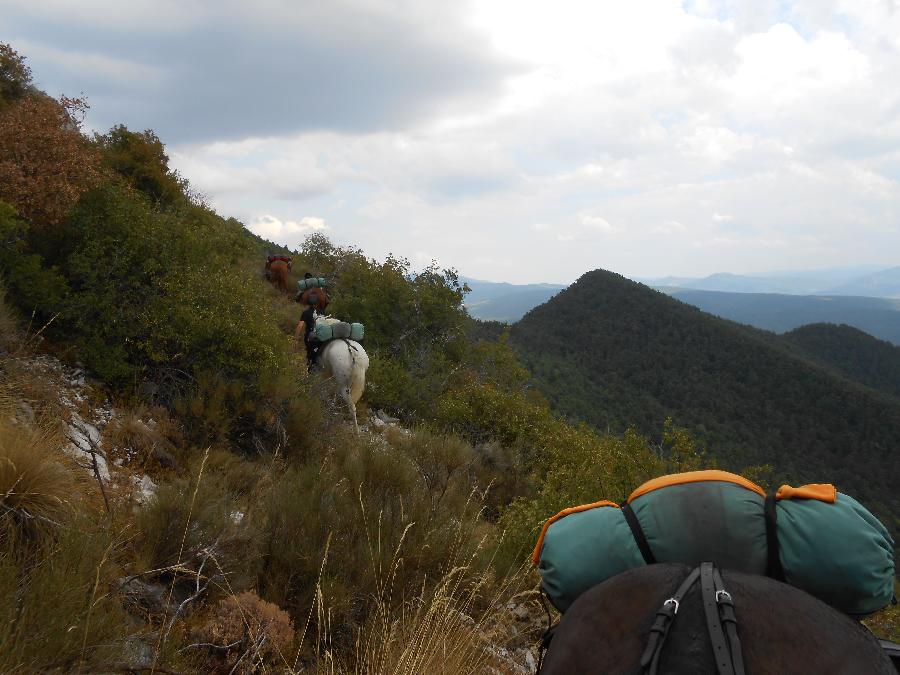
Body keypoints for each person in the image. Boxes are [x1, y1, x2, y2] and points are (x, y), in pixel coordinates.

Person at [295, 287, 322, 368]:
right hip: (321, 336)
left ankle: (310, 364)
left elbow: (300, 326)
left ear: (308, 303)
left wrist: (295, 339)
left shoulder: (305, 313)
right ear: (317, 303)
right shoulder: (322, 312)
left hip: (310, 337)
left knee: (310, 354)